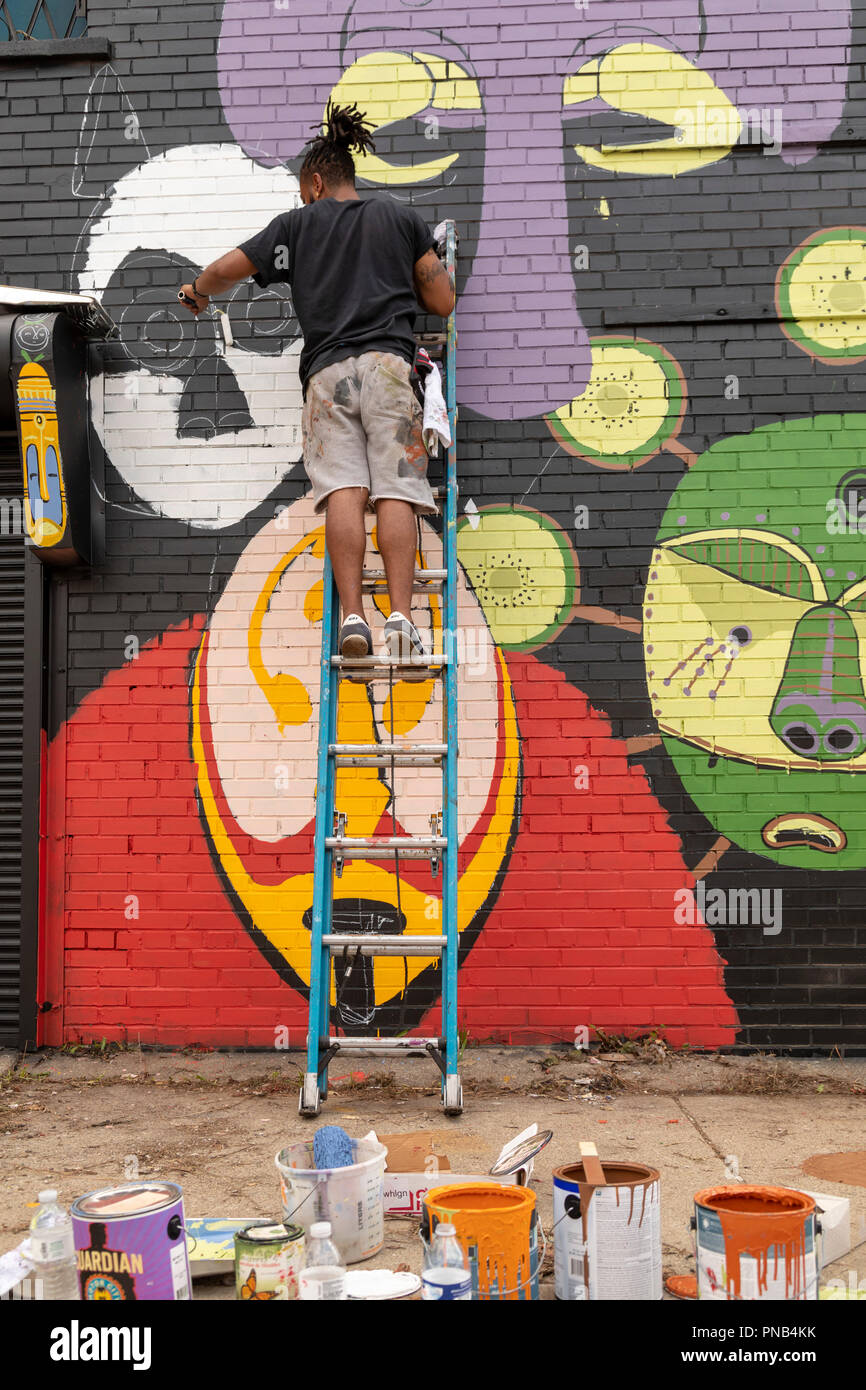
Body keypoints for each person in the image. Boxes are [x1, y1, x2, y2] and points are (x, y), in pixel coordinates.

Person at [178, 100, 455, 676]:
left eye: (305, 191)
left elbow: (229, 268)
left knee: (344, 494)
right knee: (397, 491)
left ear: (316, 180)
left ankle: (353, 618)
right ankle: (401, 620)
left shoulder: (295, 226)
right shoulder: (401, 220)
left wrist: (199, 290)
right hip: (388, 368)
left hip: (328, 377)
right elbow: (442, 301)